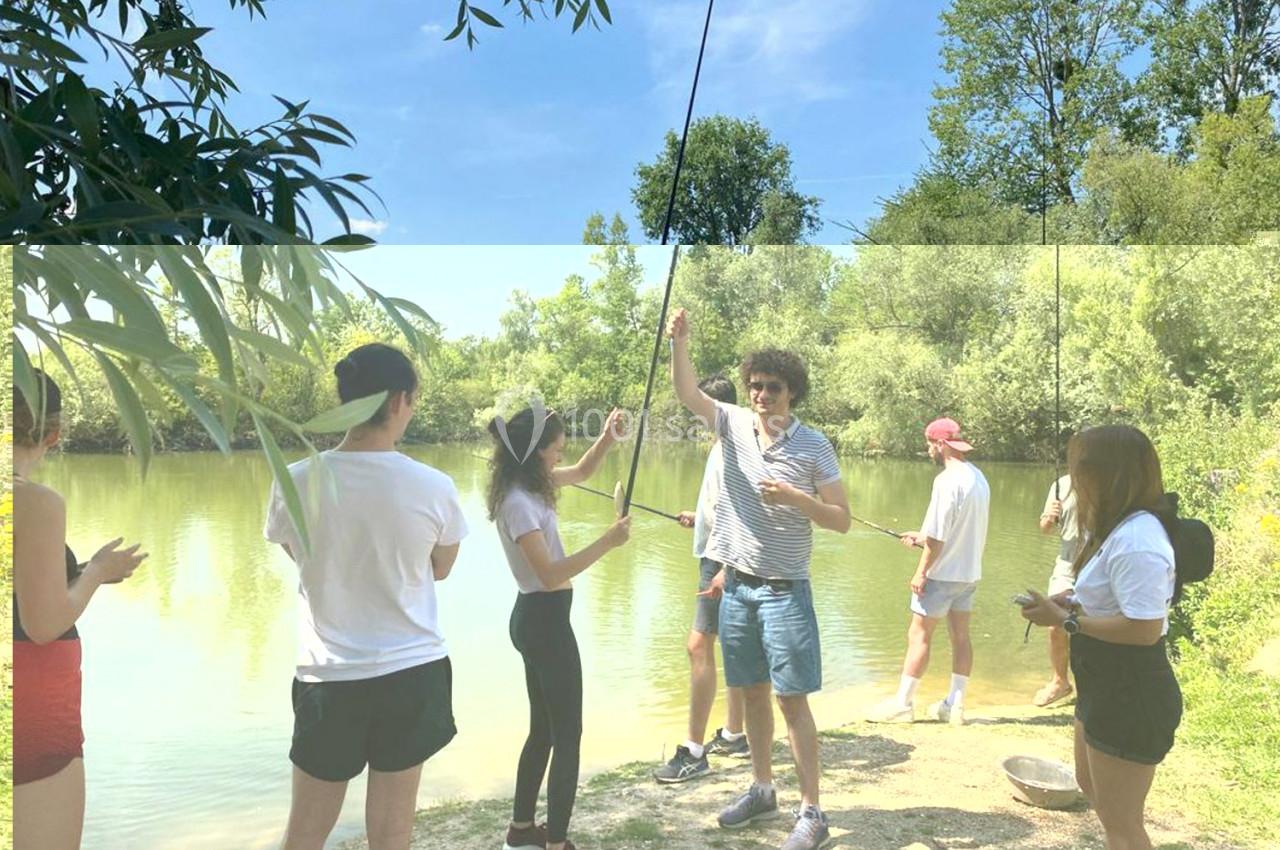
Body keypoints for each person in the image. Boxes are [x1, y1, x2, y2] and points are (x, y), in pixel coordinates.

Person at [263, 344, 468, 850]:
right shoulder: (435, 486)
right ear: (399, 400)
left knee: (305, 833)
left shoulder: (295, 480)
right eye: (414, 400)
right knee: (392, 834)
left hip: (329, 678)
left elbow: (302, 558)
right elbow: (440, 569)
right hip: (412, 673)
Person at [668, 308, 851, 850]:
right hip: (738, 587)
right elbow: (687, 393)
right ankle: (762, 788)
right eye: (755, 386)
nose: (761, 395)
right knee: (749, 694)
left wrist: (797, 498)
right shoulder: (730, 423)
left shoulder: (814, 444)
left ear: (792, 392)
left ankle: (813, 811)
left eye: (772, 387)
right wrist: (681, 341)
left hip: (784, 590)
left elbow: (841, 519)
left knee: (791, 701)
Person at [1021, 425, 1182, 850]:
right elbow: (1110, 598)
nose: (1073, 480)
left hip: (1132, 694)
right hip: (1102, 686)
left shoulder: (1138, 539)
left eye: (1080, 470)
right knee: (1093, 791)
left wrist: (1068, 621)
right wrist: (1069, 601)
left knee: (1123, 827)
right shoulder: (1116, 527)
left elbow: (1144, 629)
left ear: (1106, 475)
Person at [13, 370, 148, 850]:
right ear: (53, 432)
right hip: (29, 701)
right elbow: (43, 624)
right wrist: (96, 573)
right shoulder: (32, 501)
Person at [491, 405, 632, 850]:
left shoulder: (532, 484)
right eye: (555, 449)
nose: (560, 455)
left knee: (544, 730)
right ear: (535, 454)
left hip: (540, 620)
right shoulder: (517, 502)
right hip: (544, 622)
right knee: (567, 734)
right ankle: (557, 842)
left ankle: (520, 830)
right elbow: (550, 574)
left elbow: (586, 470)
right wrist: (608, 542)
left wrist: (608, 436)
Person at [653, 374, 749, 785]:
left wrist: (727, 567)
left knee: (698, 646)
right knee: (734, 646)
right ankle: (734, 734)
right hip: (718, 552)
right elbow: (725, 503)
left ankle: (693, 752)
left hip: (723, 560)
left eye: (699, 407)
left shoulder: (734, 445)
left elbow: (747, 511)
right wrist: (699, 519)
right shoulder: (725, 444)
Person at [868, 417, 990, 727]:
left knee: (918, 635)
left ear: (940, 444)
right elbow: (948, 530)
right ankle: (955, 704)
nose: (928, 450)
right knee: (961, 637)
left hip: (942, 574)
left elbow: (938, 538)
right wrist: (920, 536)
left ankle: (903, 704)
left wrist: (921, 571)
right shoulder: (978, 478)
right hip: (969, 574)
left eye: (929, 444)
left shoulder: (946, 481)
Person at [1034, 472, 1080, 707]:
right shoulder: (1061, 484)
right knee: (1055, 624)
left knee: (1092, 625)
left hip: (1098, 563)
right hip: (1066, 565)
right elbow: (1044, 528)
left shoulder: (1110, 480)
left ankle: (1087, 684)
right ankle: (1060, 682)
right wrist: (1050, 517)